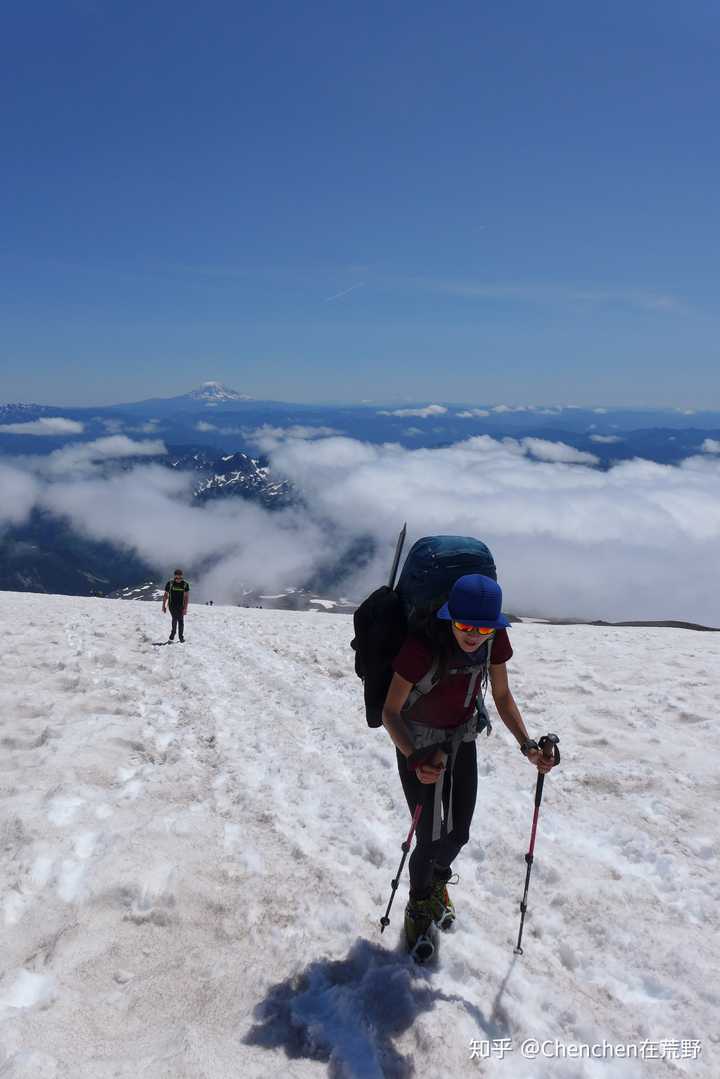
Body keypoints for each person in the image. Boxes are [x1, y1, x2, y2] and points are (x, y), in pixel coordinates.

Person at [382, 573, 557, 959]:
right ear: (449, 616)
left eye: (483, 627)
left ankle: (436, 883)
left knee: (458, 833)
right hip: (419, 741)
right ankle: (418, 904)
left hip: (462, 738)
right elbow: (391, 712)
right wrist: (414, 757)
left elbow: (502, 695)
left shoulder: (494, 640)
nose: (474, 635)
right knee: (428, 839)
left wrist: (528, 746)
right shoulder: (422, 645)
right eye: (464, 625)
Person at [162, 569, 190, 642]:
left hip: (181, 606)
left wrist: (185, 608)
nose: (178, 580)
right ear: (174, 577)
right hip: (172, 605)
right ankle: (172, 636)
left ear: (182, 577)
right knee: (175, 619)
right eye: (177, 578)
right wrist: (163, 606)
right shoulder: (170, 583)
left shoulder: (185, 584)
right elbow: (165, 595)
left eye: (180, 578)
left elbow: (186, 597)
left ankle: (181, 638)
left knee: (181, 621)